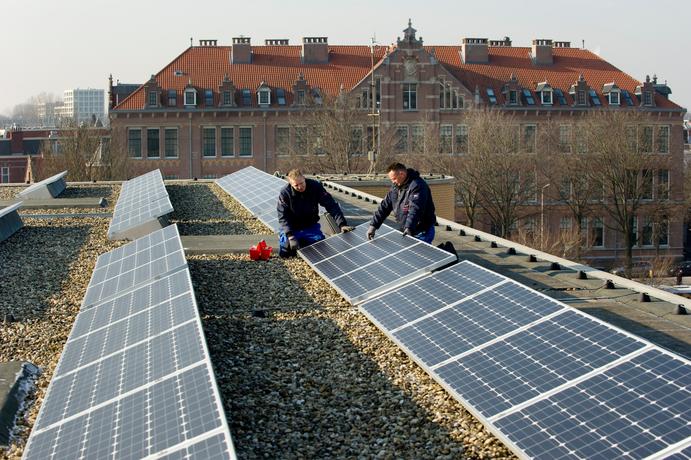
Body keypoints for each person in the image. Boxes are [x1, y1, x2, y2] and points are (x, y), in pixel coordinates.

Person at [277, 168, 353, 257]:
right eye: (296, 185)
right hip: (292, 227)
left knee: (319, 248)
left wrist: (342, 224)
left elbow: (331, 205)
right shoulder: (285, 193)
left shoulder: (315, 187)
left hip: (310, 226)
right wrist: (290, 236)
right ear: (291, 184)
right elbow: (282, 216)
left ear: (304, 178)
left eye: (301, 183)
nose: (300, 187)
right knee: (286, 250)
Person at [367, 162, 436, 244]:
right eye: (391, 180)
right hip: (408, 229)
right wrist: (373, 225)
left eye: (394, 179)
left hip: (421, 231)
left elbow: (415, 209)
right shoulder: (396, 188)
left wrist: (409, 227)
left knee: (421, 255)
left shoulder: (417, 186)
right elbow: (384, 207)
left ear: (402, 174)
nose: (393, 182)